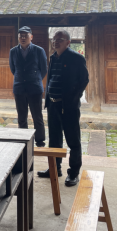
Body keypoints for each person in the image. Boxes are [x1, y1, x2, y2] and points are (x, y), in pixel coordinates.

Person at [38, 30, 89, 187]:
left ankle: (73, 173)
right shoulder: (53, 57)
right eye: (54, 39)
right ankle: (55, 168)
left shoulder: (76, 58)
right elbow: (51, 79)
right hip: (53, 104)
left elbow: (84, 80)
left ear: (68, 42)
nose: (55, 42)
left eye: (59, 39)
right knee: (54, 139)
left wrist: (74, 97)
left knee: (73, 140)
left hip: (68, 106)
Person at [9, 26, 48, 147]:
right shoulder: (13, 51)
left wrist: (35, 79)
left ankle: (40, 140)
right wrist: (21, 78)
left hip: (35, 88)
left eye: (25, 36)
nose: (23, 38)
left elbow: (44, 69)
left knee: (37, 116)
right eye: (20, 36)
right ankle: (23, 139)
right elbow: (13, 69)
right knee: (21, 117)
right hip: (19, 88)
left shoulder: (39, 50)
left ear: (31, 37)